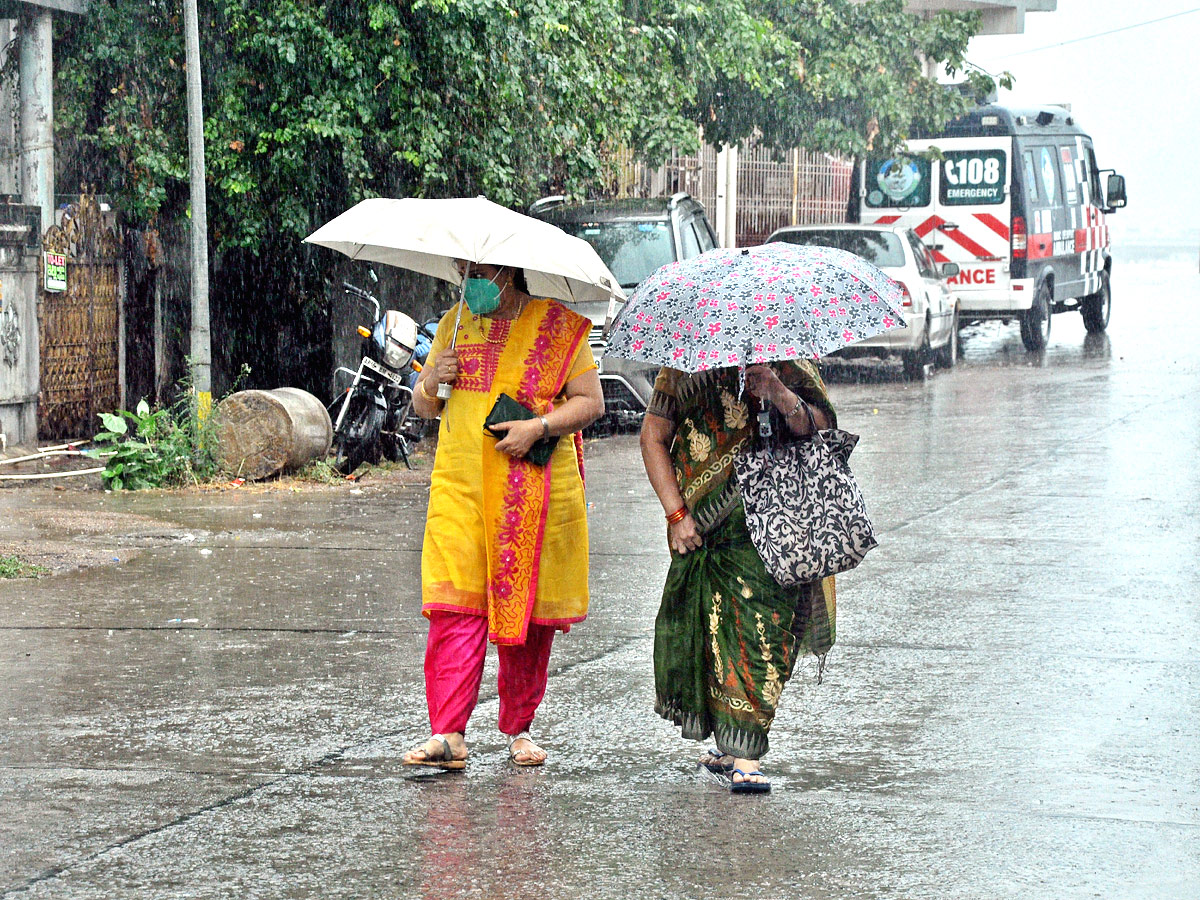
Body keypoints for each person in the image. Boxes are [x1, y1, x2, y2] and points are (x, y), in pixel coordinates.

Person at [403, 261, 604, 770]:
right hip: (459, 489)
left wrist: (539, 426)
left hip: (532, 492)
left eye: (479, 271)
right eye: (465, 269)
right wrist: (431, 382)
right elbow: (424, 407)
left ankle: (519, 729)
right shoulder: (453, 322)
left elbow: (591, 403)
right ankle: (448, 734)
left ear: (507, 273)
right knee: (454, 609)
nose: (470, 279)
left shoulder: (556, 326)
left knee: (528, 619)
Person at [639, 361, 837, 792]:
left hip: (777, 522)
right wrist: (676, 514)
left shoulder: (787, 358)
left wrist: (779, 392)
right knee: (713, 634)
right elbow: (653, 437)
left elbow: (821, 428)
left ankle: (747, 751)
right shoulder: (680, 368)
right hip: (703, 526)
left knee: (761, 630)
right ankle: (731, 744)